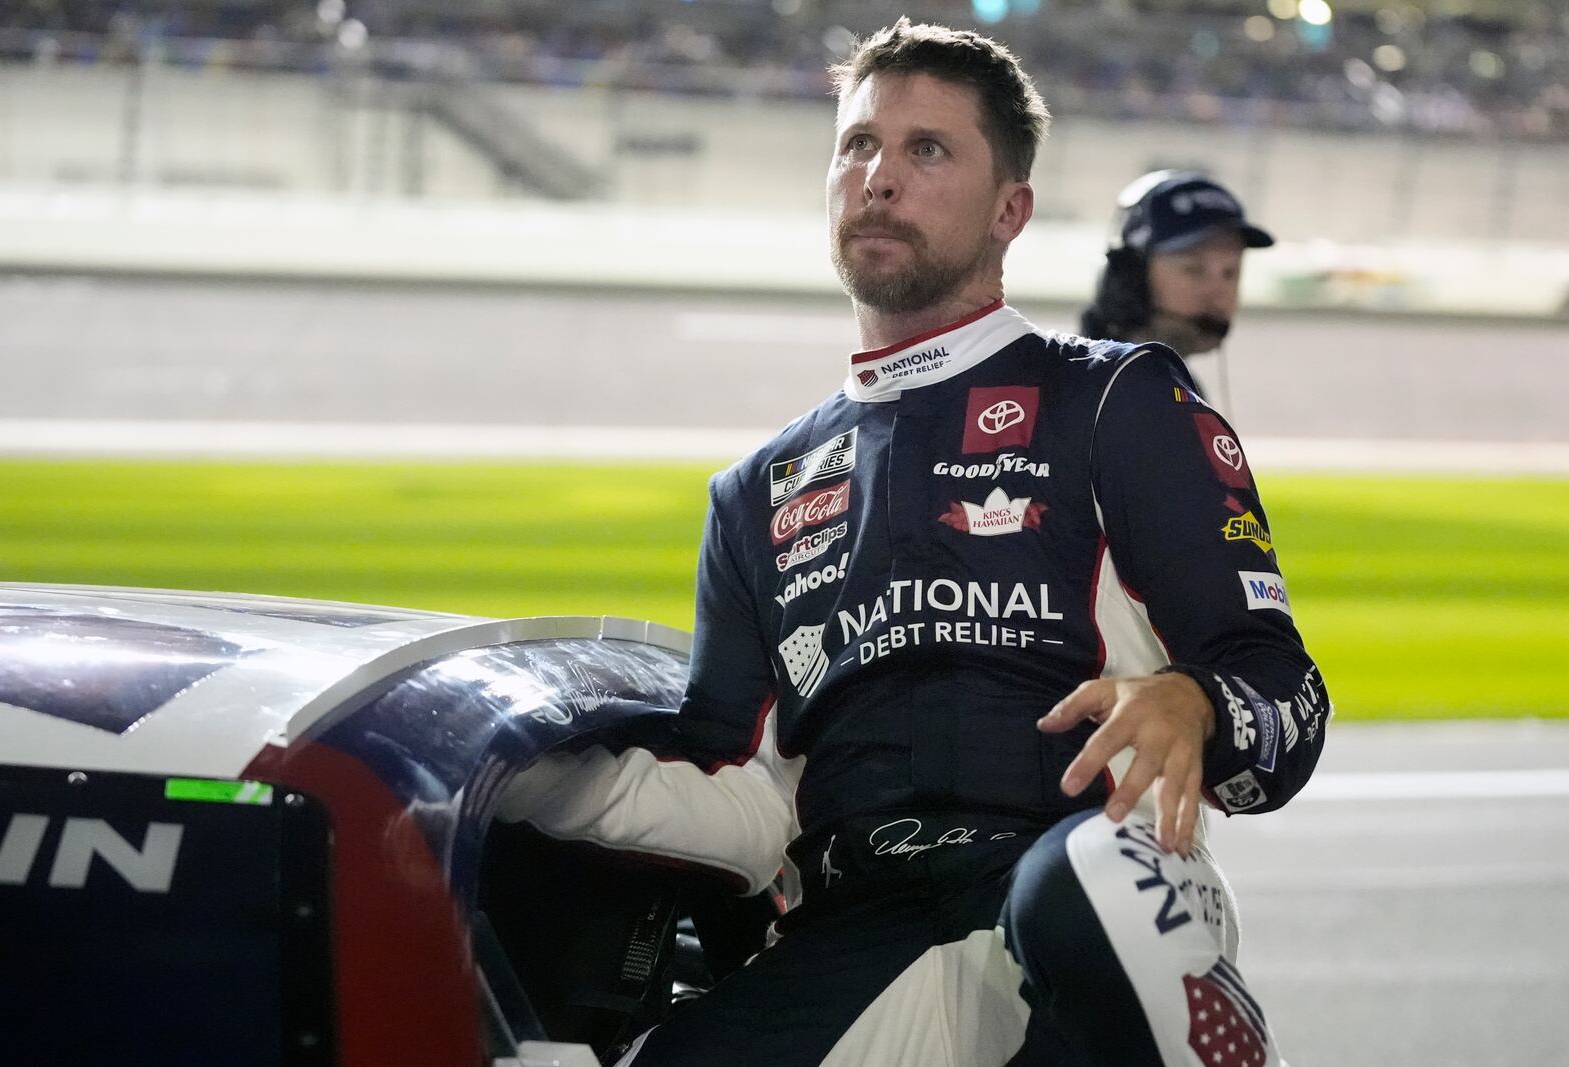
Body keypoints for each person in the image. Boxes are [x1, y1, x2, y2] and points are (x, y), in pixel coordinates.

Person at [497, 18, 1328, 1066]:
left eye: (927, 149)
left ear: (1008, 208)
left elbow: (1286, 697)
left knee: (1083, 890)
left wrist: (1196, 700)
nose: (880, 177)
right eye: (858, 146)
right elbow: (742, 803)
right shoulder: (756, 492)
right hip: (847, 932)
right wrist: (510, 775)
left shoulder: (1117, 397)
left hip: (1073, 904)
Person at [1079, 170, 1275, 407]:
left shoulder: (1178, 387)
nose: (1217, 292)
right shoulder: (1092, 395)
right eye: (1194, 270)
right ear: (1129, 280)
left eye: (1230, 272)